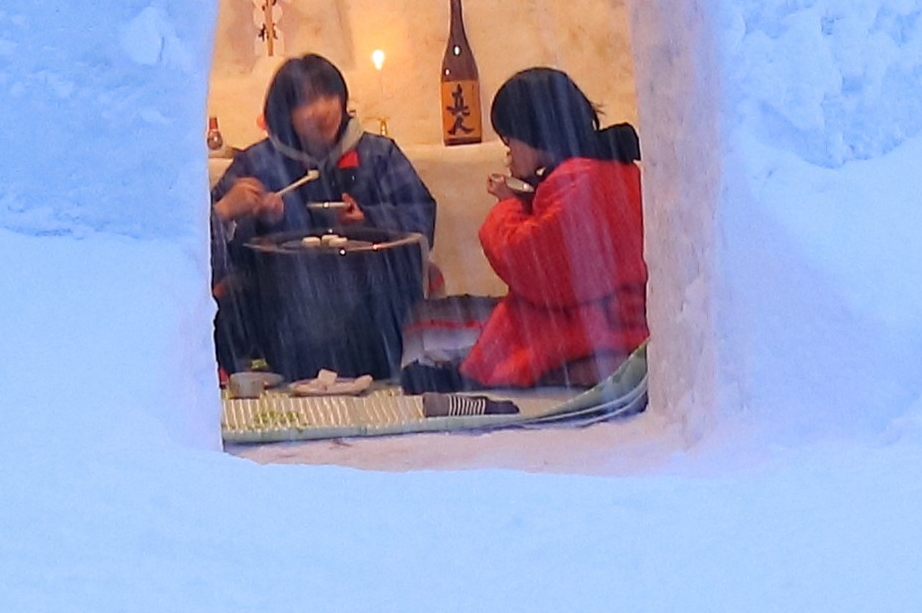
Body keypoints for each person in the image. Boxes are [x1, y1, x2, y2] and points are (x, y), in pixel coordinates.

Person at [213, 55, 437, 381]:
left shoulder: (377, 153)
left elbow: (421, 215)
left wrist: (369, 218)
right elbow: (213, 243)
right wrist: (258, 219)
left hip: (368, 293)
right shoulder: (258, 163)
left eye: (328, 96)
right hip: (283, 299)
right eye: (305, 102)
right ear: (283, 115)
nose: (321, 110)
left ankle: (385, 375)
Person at [463, 65, 649, 396]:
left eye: (509, 139)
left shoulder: (578, 177)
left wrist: (508, 205)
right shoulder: (608, 164)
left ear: (533, 131)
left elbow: (532, 263)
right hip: (623, 318)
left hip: (610, 329)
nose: (508, 152)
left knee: (522, 321)